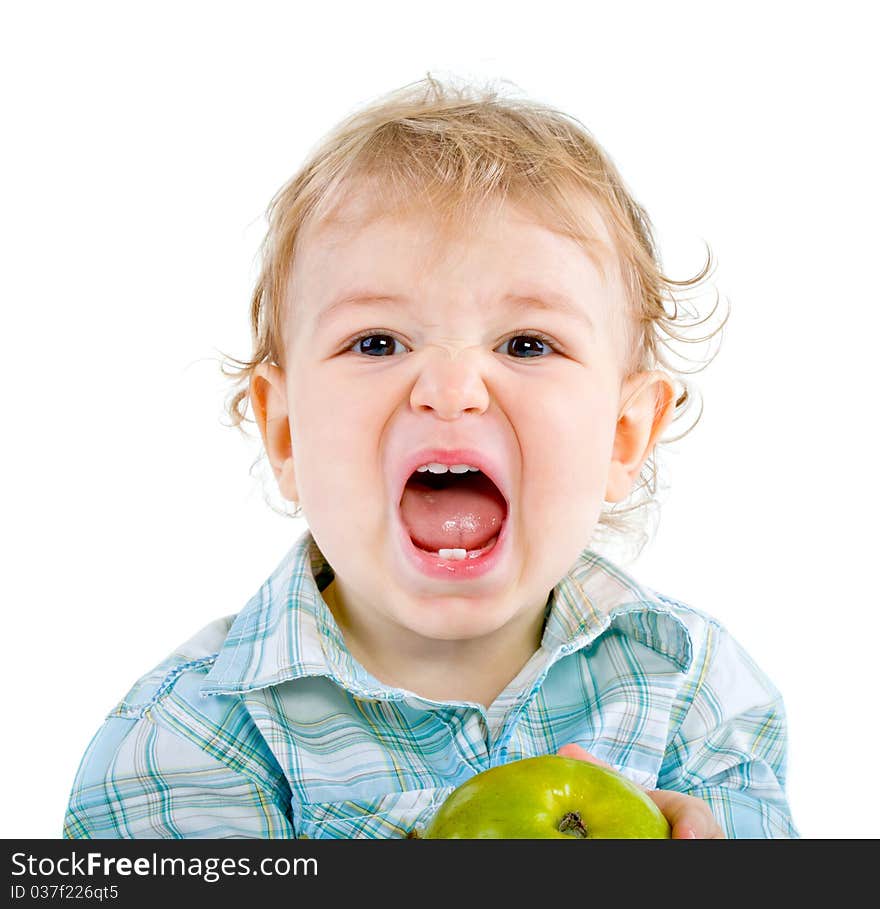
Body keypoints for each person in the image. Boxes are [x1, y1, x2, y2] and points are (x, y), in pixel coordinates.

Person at [63, 75, 798, 839]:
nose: (452, 390)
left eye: (526, 343)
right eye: (377, 342)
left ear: (624, 436)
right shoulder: (183, 742)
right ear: (284, 431)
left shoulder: (698, 691)